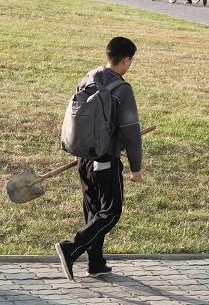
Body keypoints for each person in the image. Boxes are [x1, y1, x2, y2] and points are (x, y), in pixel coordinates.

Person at [55, 37, 143, 281]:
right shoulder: (122, 90)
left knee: (94, 211)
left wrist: (78, 149)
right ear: (126, 59)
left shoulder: (88, 77)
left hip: (83, 157)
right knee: (111, 212)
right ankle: (70, 248)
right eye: (131, 61)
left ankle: (95, 263)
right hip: (106, 159)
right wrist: (136, 167)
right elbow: (131, 130)